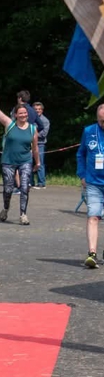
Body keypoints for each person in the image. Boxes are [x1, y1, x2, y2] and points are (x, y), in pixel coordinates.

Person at [0, 87, 39, 226]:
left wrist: (38, 162)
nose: (23, 115)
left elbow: (35, 148)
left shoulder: (33, 129)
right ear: (15, 115)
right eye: (20, 113)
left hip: (25, 161)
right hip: (8, 161)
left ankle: (23, 214)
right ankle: (6, 208)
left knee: (24, 187)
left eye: (25, 113)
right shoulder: (9, 124)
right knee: (8, 189)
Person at [76, 102, 104, 269]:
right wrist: (82, 174)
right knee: (93, 216)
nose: (103, 124)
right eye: (101, 121)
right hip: (93, 182)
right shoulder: (88, 131)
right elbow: (81, 154)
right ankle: (92, 253)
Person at [33, 102, 49, 188]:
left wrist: (33, 135)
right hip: (30, 143)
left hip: (40, 144)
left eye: (39, 109)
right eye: (35, 109)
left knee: (40, 163)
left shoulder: (45, 121)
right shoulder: (30, 119)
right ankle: (30, 182)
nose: (37, 111)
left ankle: (41, 183)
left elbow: (43, 134)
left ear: (42, 110)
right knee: (29, 163)